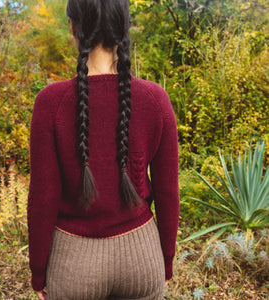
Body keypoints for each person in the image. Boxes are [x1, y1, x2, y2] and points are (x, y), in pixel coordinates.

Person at [27, 0, 180, 299]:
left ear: (73, 27)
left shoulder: (50, 102)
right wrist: (166, 261)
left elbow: (43, 198)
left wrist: (38, 272)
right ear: (124, 29)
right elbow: (168, 192)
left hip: (74, 267)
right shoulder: (155, 99)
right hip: (142, 259)